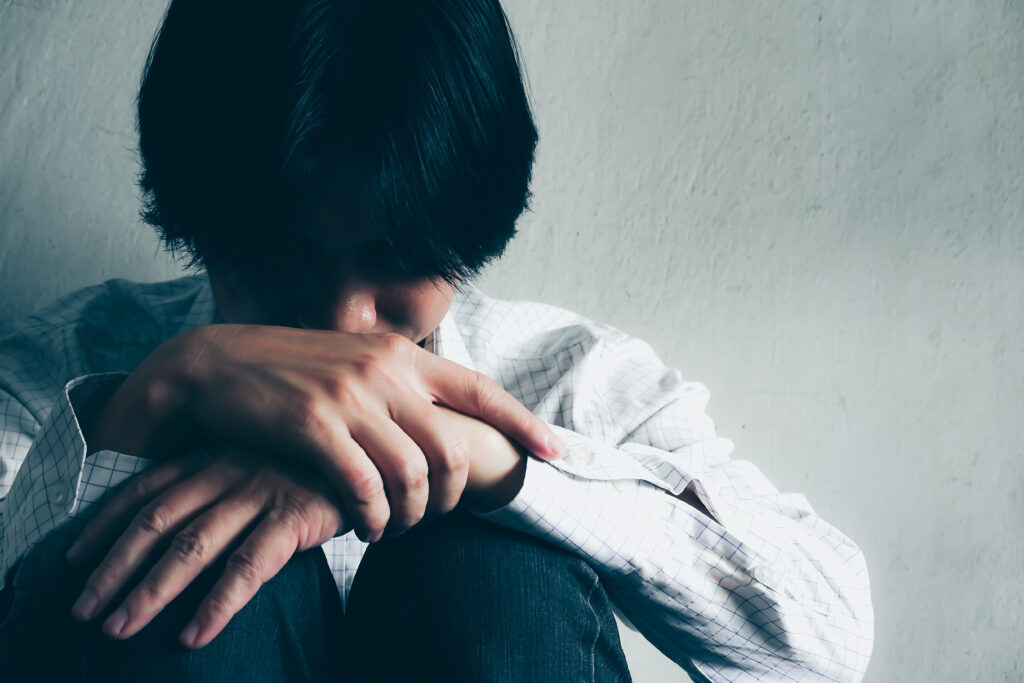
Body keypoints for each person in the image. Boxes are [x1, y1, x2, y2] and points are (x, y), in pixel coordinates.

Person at [0, 0, 874, 681]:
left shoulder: (567, 377)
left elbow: (826, 637)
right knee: (178, 563)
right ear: (205, 224)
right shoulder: (67, 359)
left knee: (492, 561)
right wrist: (155, 399)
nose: (346, 324)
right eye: (285, 258)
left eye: (395, 259)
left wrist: (498, 467)